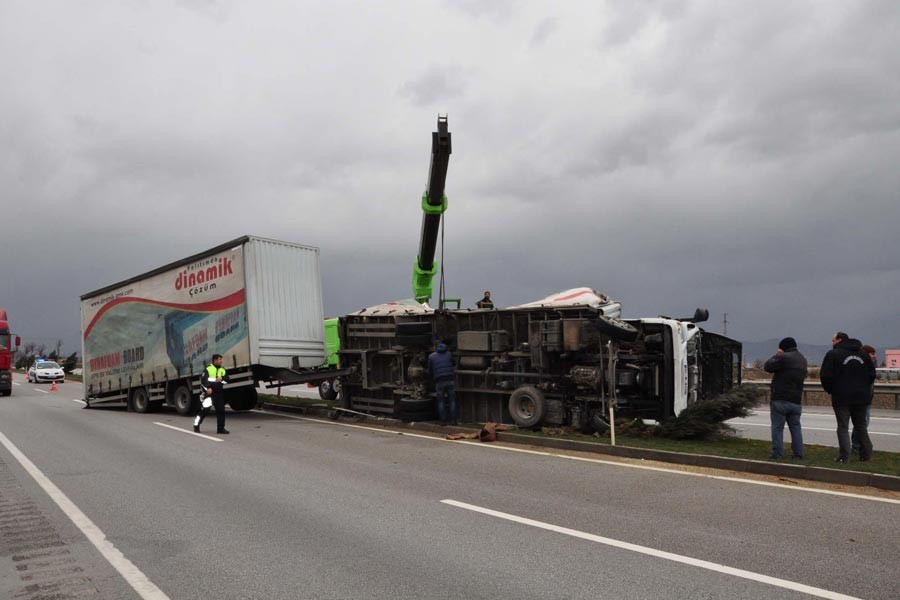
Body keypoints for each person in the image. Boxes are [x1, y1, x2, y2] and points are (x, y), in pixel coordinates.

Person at [820, 332, 875, 462]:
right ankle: (866, 454)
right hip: (861, 397)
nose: (832, 342)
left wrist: (831, 390)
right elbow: (872, 374)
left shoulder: (833, 354)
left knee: (843, 427)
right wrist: (863, 387)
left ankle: (845, 456)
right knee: (861, 425)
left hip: (841, 397)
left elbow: (825, 376)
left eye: (833, 340)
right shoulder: (863, 354)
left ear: (839, 340)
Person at [764, 337, 807, 459]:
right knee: (796, 428)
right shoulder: (802, 359)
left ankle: (777, 454)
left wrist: (776, 355)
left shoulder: (783, 357)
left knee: (777, 428)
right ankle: (798, 454)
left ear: (783, 347)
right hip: (796, 400)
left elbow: (767, 367)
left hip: (780, 399)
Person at [194, 354, 231, 434]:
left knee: (221, 411)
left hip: (219, 394)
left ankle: (220, 429)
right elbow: (203, 381)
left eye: (221, 359)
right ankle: (196, 425)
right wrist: (208, 388)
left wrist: (222, 380)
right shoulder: (208, 369)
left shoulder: (222, 369)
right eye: (220, 359)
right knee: (205, 410)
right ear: (215, 360)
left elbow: (227, 380)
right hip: (210, 394)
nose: (221, 361)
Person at [851, 344, 877, 454]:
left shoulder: (870, 365)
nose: (874, 356)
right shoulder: (862, 365)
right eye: (872, 354)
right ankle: (857, 445)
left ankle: (858, 445)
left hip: (867, 399)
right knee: (862, 423)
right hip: (862, 399)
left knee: (862, 423)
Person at [428, 342, 458, 425]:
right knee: (452, 400)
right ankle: (454, 420)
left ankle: (443, 421)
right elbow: (454, 363)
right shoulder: (449, 354)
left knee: (441, 401)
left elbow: (430, 370)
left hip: (439, 380)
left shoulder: (431, 356)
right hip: (450, 379)